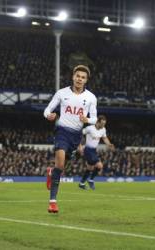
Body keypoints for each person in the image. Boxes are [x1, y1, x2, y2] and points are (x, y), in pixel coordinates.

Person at [44, 65, 97, 213]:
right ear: (73, 77)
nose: (80, 79)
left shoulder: (91, 98)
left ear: (86, 80)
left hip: (76, 135)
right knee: (60, 164)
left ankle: (51, 172)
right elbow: (47, 109)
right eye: (78, 76)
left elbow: (94, 118)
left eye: (83, 77)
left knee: (61, 168)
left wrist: (87, 119)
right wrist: (49, 115)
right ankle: (52, 202)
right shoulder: (62, 93)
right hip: (62, 131)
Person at [79, 115, 114, 190]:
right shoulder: (89, 128)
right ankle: (91, 180)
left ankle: (81, 183)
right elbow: (80, 133)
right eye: (102, 124)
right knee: (99, 166)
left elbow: (104, 138)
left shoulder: (103, 129)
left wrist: (109, 144)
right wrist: (80, 145)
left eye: (104, 124)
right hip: (87, 149)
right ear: (98, 122)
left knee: (90, 168)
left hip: (94, 150)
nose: (103, 125)